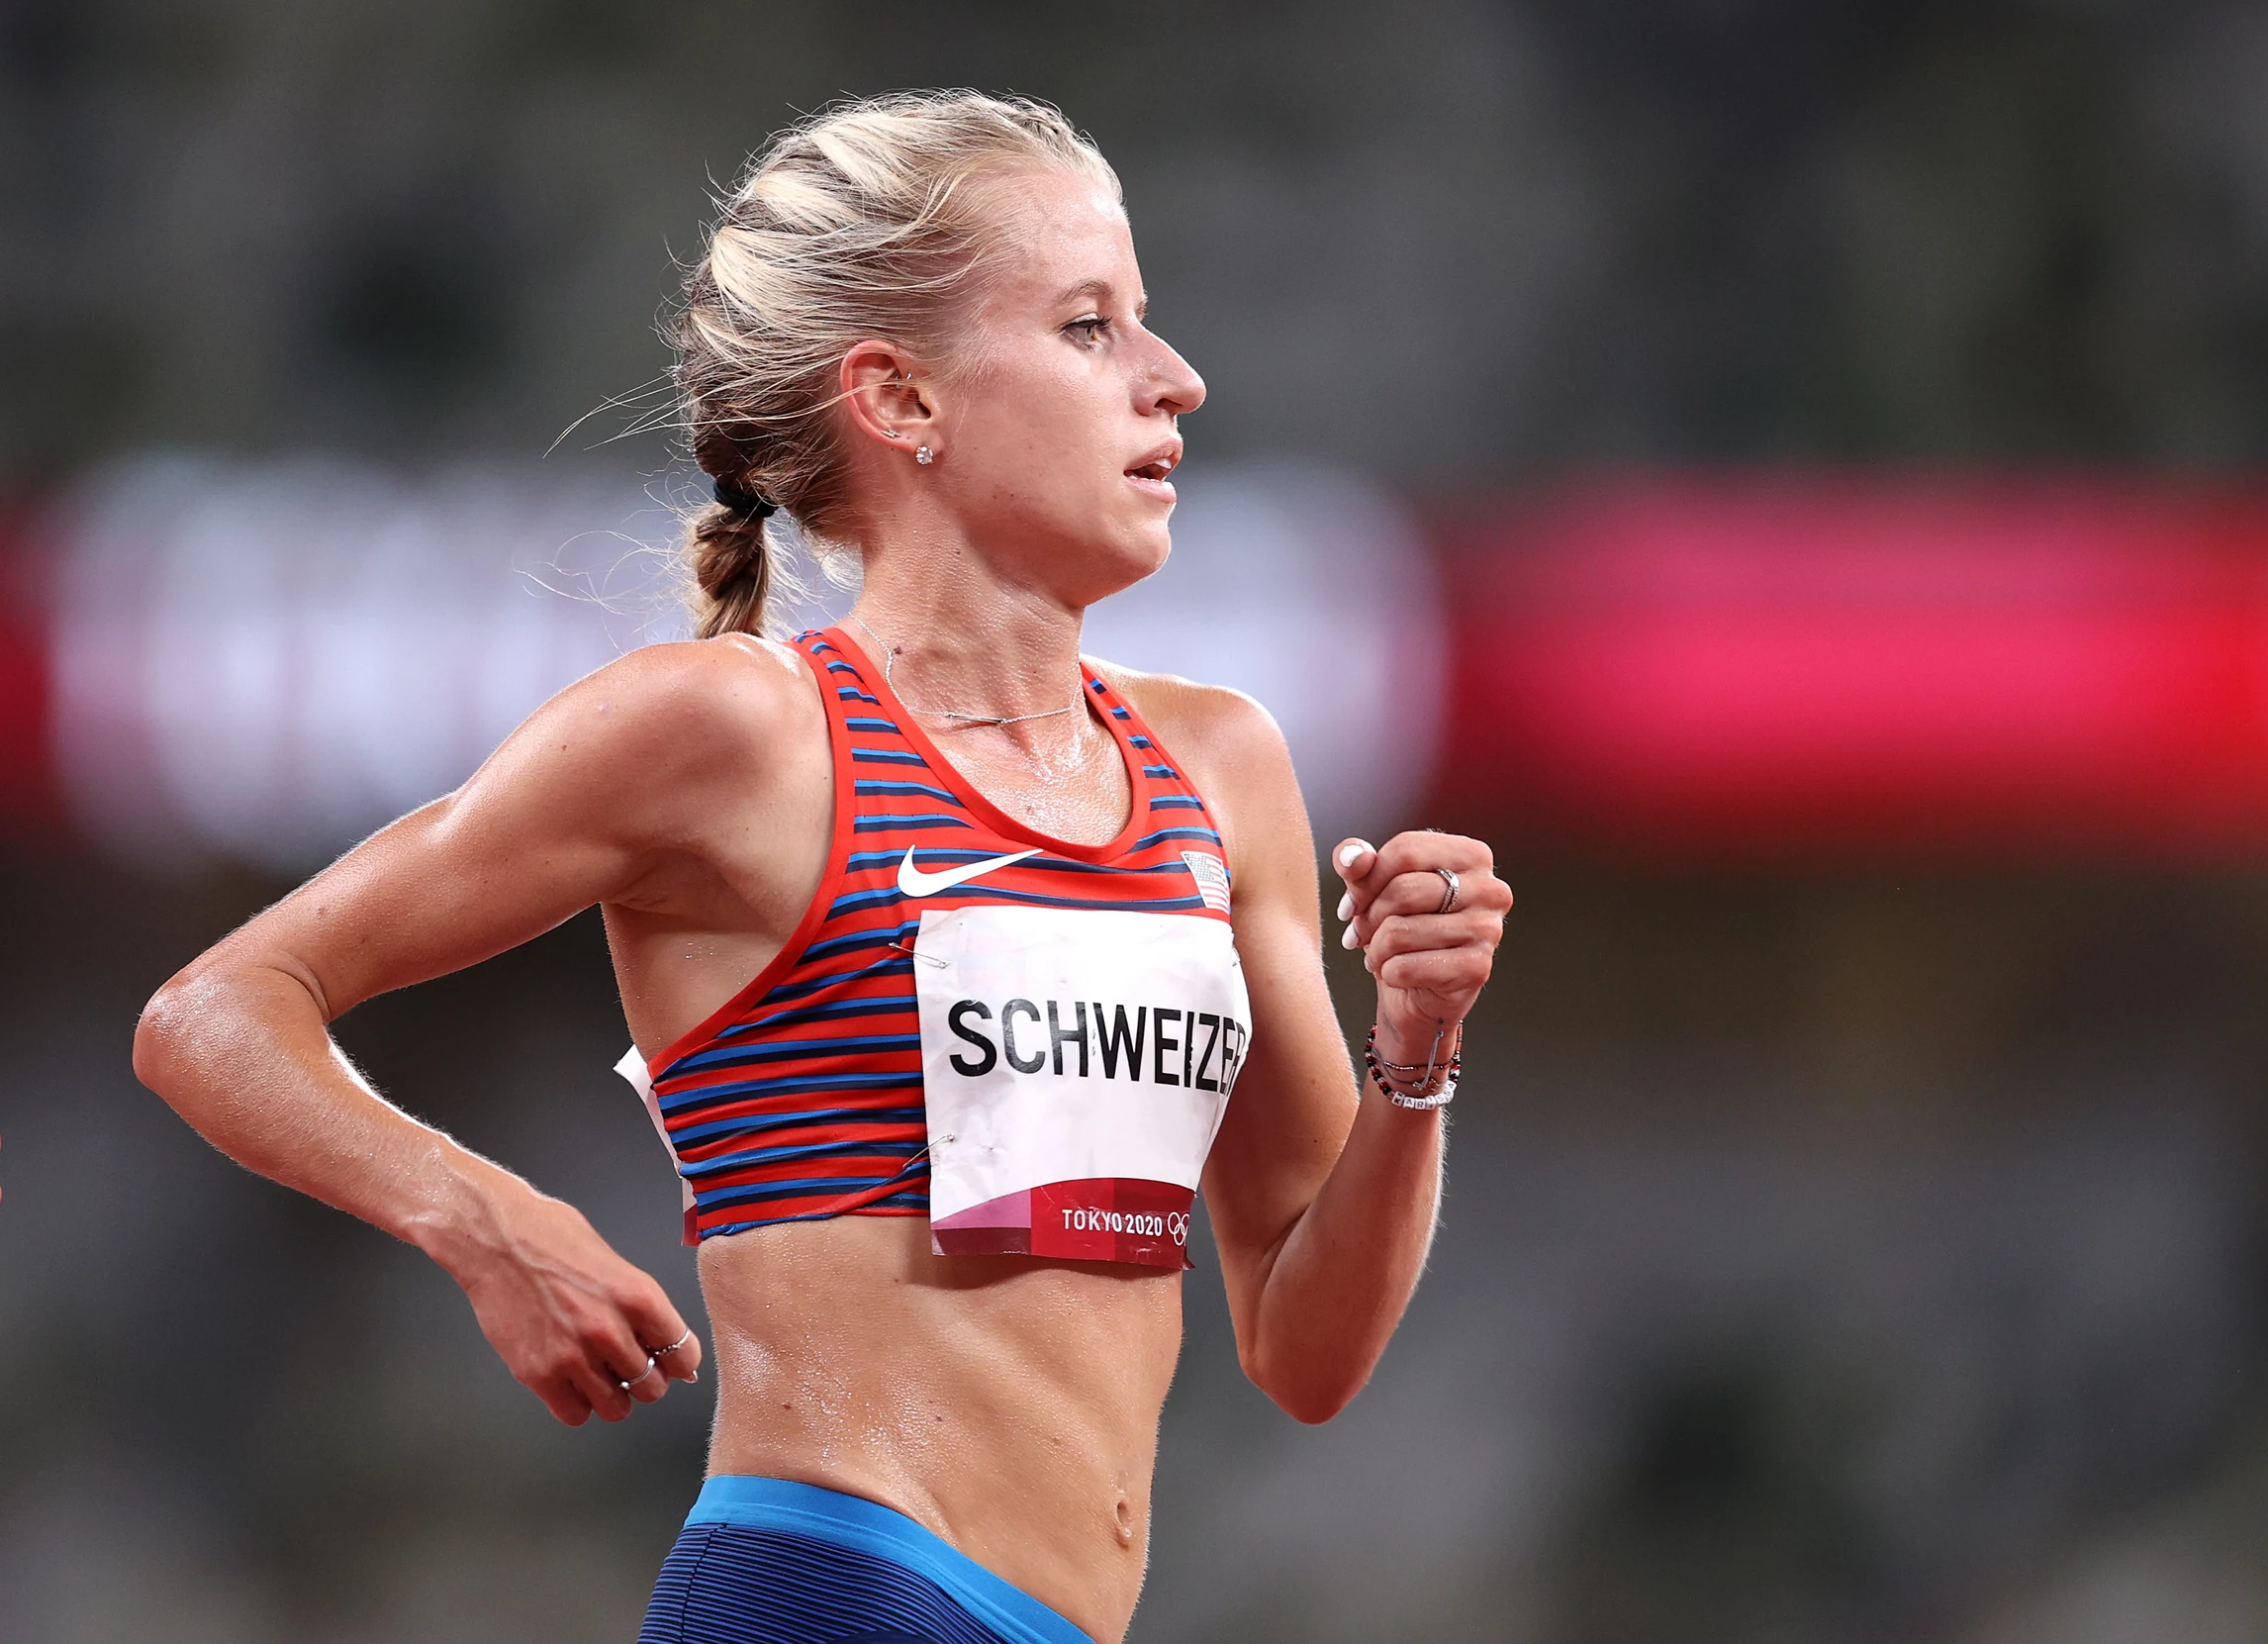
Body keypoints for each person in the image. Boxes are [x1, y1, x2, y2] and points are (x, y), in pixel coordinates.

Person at [133, 90, 1509, 1644]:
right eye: (1087, 326)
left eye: (1148, 322)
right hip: (832, 1588)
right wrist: (484, 1219)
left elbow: (1306, 1351)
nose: (1175, 379)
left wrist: (1418, 1053)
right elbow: (217, 1007)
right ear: (899, 398)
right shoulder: (733, 730)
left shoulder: (1220, 766)